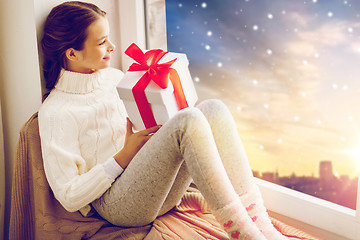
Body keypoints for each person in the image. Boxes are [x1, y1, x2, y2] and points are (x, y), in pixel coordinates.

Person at [39, 1, 287, 239]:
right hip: (115, 204)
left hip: (153, 189)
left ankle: (261, 225)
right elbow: (69, 196)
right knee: (188, 119)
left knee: (213, 109)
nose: (113, 47)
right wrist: (121, 159)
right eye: (102, 42)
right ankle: (244, 235)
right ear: (72, 53)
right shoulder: (56, 113)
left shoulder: (114, 79)